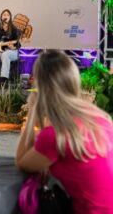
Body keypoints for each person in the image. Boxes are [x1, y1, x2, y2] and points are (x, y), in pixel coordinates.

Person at [16, 50, 113, 214]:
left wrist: (33, 111)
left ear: (41, 88)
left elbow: (22, 162)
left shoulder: (56, 134)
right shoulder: (99, 119)